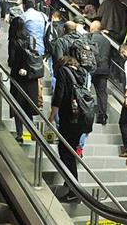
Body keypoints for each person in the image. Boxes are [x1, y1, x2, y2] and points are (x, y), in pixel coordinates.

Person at [49, 56, 89, 203]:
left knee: (65, 152)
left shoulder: (63, 72)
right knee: (70, 150)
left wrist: (52, 115)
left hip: (69, 118)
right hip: (80, 119)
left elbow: (59, 93)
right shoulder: (81, 73)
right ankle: (69, 182)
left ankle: (74, 190)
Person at [8, 17, 39, 144]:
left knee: (17, 105)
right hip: (31, 77)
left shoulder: (14, 41)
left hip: (18, 77)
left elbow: (12, 60)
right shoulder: (31, 38)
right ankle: (33, 131)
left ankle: (19, 134)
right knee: (28, 105)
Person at [89, 21, 111, 125]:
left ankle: (86, 114)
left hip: (92, 68)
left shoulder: (90, 39)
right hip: (104, 69)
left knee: (86, 90)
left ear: (92, 28)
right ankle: (102, 116)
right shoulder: (107, 41)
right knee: (102, 93)